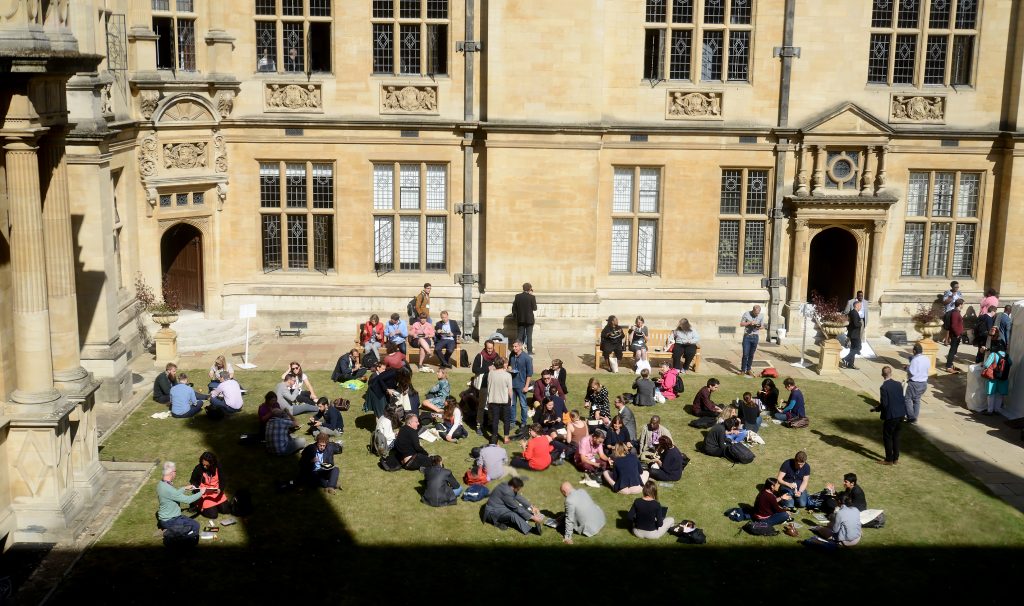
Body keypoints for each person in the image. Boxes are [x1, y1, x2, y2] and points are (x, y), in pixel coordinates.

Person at [156, 461, 206, 538]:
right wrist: (201, 492)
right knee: (195, 526)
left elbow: (173, 494)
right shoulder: (169, 489)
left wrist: (184, 488)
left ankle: (171, 530)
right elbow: (188, 500)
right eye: (175, 471)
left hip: (165, 518)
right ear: (171, 473)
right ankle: (173, 535)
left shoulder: (161, 484)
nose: (175, 473)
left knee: (190, 524)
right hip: (170, 520)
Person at [874, 365, 906, 465]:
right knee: (896, 436)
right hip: (900, 414)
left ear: (882, 375)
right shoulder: (898, 384)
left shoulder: (884, 387)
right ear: (891, 373)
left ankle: (889, 459)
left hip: (891, 416)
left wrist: (877, 409)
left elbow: (885, 404)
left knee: (887, 437)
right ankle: (896, 458)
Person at [188, 452, 229, 519]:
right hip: (204, 494)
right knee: (213, 515)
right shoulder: (199, 468)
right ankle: (200, 507)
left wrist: (220, 489)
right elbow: (193, 481)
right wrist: (198, 490)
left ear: (212, 464)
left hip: (216, 492)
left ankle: (214, 506)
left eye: (207, 465)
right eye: (203, 464)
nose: (204, 466)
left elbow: (223, 480)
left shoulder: (218, 466)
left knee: (225, 510)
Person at [508, 340, 534, 431]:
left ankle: (523, 422)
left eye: (516, 346)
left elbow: (529, 374)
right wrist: (510, 368)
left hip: (522, 385)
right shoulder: (511, 355)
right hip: (512, 384)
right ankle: (512, 421)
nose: (514, 348)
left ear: (520, 346)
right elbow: (509, 366)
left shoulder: (527, 358)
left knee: (523, 405)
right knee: (512, 404)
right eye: (513, 346)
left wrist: (526, 386)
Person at [487, 358, 514, 443]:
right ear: (503, 364)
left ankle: (494, 437)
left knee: (495, 419)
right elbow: (510, 390)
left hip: (493, 399)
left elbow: (489, 385)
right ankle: (506, 437)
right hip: (505, 400)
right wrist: (512, 399)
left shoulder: (491, 374)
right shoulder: (507, 375)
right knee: (506, 419)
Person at [983, 340, 1010, 416]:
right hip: (1003, 378)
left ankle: (990, 411)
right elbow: (1010, 363)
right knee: (999, 394)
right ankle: (997, 410)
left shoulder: (994, 354)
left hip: (993, 377)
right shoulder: (1007, 356)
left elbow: (986, 365)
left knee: (991, 394)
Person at [905, 343, 928, 424]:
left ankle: (911, 418)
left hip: (914, 383)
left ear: (914, 351)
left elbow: (912, 372)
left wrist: (907, 368)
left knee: (907, 399)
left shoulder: (915, 360)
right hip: (924, 383)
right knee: (917, 400)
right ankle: (914, 417)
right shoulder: (926, 358)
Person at [739, 304, 765, 377]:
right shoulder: (746, 314)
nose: (757, 314)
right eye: (755, 313)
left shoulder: (761, 316)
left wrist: (758, 326)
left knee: (751, 354)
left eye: (758, 313)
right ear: (753, 310)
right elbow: (741, 324)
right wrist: (749, 323)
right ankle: (743, 370)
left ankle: (749, 369)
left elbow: (763, 326)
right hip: (747, 336)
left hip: (755, 336)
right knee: (745, 354)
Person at [512, 282, 537, 354]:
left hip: (520, 319)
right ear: (529, 289)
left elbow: (514, 307)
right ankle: (529, 351)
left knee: (519, 336)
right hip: (529, 320)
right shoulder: (532, 297)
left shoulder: (517, 296)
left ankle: (516, 350)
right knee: (529, 336)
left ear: (523, 288)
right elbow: (535, 308)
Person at [943, 299, 965, 373]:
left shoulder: (957, 312)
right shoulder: (955, 313)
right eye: (963, 304)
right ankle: (948, 367)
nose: (963, 306)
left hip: (956, 335)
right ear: (960, 305)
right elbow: (953, 325)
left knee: (954, 351)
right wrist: (958, 334)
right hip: (955, 335)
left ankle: (950, 364)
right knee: (952, 351)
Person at [842, 300, 863, 370]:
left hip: (852, 333)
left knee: (853, 349)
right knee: (858, 348)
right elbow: (856, 324)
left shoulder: (852, 312)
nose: (861, 307)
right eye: (860, 306)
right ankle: (846, 358)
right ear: (856, 306)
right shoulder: (854, 313)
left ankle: (851, 364)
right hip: (855, 334)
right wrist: (860, 323)